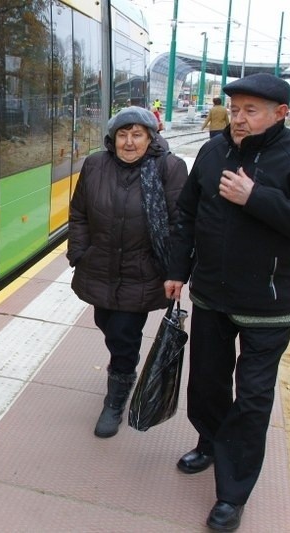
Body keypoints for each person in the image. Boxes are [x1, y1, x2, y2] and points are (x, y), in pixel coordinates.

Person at [164, 73, 290, 531]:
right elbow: (186, 215)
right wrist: (176, 270)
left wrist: (256, 197)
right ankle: (209, 441)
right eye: (236, 109)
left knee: (254, 398)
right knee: (206, 383)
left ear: (280, 113)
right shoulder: (212, 151)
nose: (239, 120)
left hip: (269, 303)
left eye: (251, 111)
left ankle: (233, 493)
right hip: (211, 295)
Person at [67, 106, 188, 438]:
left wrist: (174, 270)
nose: (129, 142)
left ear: (151, 138)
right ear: (112, 138)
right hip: (100, 266)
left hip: (142, 270)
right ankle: (121, 367)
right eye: (123, 134)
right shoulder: (94, 165)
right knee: (106, 323)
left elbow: (181, 223)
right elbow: (78, 213)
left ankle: (115, 399)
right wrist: (80, 252)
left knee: (124, 335)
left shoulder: (170, 168)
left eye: (137, 134)